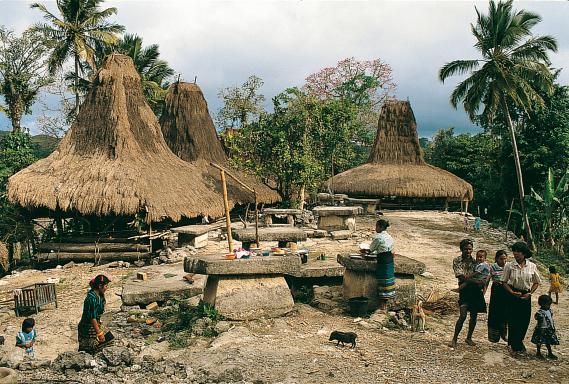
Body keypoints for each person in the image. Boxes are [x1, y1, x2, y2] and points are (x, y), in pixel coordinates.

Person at [501, 242, 541, 355]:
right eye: (514, 251)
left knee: (524, 320)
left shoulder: (532, 266)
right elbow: (503, 282)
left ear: (524, 253)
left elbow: (536, 282)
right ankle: (512, 344)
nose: (515, 253)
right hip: (513, 294)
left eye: (518, 251)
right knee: (513, 319)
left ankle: (519, 341)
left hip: (526, 295)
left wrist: (530, 293)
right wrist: (512, 292)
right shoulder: (509, 265)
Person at [449, 239, 486, 348]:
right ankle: (454, 338)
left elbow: (483, 277)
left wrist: (479, 282)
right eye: (466, 249)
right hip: (465, 290)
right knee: (463, 315)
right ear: (461, 249)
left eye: (470, 249)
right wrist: (478, 282)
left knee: (474, 315)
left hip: (474, 290)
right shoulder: (457, 261)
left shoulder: (476, 262)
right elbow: (461, 277)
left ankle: (469, 337)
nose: (468, 251)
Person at [78, 275, 111, 354]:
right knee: (89, 351)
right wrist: (99, 333)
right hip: (88, 328)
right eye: (106, 286)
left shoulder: (100, 295)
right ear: (100, 286)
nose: (107, 288)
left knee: (109, 338)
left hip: (96, 324)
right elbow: (92, 318)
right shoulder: (91, 298)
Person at [370, 219, 396, 310]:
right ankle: (386, 302)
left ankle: (382, 305)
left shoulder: (378, 237)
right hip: (390, 260)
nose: (375, 228)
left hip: (382, 261)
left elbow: (371, 249)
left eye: (376, 226)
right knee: (389, 280)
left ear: (380, 227)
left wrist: (365, 250)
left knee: (383, 282)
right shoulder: (390, 237)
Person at [487, 250, 509, 343]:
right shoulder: (492, 267)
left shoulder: (508, 267)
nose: (503, 261)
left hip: (506, 290)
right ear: (496, 259)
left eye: (505, 259)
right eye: (501, 259)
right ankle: (493, 336)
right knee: (494, 311)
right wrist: (483, 290)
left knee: (505, 312)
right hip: (496, 290)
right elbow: (488, 279)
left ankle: (503, 333)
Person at [531, 294, 559, 359]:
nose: (549, 306)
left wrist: (552, 327)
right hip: (541, 329)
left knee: (548, 341)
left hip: (548, 329)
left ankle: (550, 353)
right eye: (548, 305)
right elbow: (537, 318)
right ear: (542, 304)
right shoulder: (540, 312)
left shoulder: (549, 311)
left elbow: (551, 320)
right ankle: (538, 352)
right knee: (539, 341)